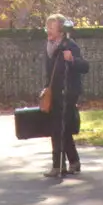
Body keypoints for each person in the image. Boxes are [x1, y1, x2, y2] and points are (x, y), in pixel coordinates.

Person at [41, 15, 88, 179]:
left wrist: (72, 60)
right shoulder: (49, 47)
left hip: (68, 92)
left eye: (51, 28)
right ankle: (74, 162)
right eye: (47, 27)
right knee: (63, 128)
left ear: (60, 30)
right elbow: (50, 72)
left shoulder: (69, 46)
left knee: (58, 128)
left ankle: (57, 165)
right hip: (54, 91)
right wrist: (46, 87)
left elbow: (85, 66)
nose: (48, 31)